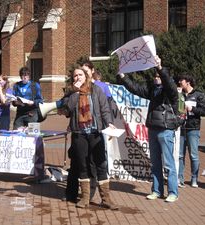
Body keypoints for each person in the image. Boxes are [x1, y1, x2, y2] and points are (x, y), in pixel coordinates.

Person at [117, 55, 179, 203]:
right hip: (153, 129)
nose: (156, 78)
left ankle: (173, 193)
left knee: (169, 163)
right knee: (155, 163)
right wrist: (122, 76)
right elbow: (135, 89)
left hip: (166, 130)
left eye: (158, 76)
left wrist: (160, 67)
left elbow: (169, 84)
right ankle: (156, 191)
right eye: (155, 75)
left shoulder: (170, 92)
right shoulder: (153, 90)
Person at [62, 66, 118, 209]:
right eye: (75, 76)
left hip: (95, 132)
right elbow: (67, 110)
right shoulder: (71, 93)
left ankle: (106, 199)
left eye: (80, 75)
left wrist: (110, 123)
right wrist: (75, 92)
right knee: (82, 165)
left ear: (86, 76)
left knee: (101, 164)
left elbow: (104, 108)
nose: (78, 78)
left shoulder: (96, 90)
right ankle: (85, 198)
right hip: (79, 134)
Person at [178, 74, 205, 188]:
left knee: (193, 155)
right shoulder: (179, 94)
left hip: (193, 128)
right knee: (180, 155)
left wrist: (192, 109)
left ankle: (194, 179)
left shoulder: (198, 94)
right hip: (180, 128)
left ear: (188, 82)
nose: (179, 82)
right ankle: (180, 179)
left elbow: (204, 110)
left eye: (181, 80)